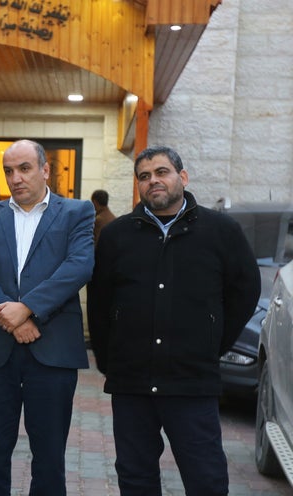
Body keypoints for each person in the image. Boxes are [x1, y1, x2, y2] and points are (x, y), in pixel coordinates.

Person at [87, 145, 261, 496]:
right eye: (144, 176)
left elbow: (246, 291)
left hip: (192, 382)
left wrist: (212, 344)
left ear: (182, 177)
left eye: (162, 172)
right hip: (132, 383)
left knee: (206, 479)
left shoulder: (221, 231)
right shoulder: (117, 235)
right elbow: (100, 301)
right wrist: (110, 361)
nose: (153, 181)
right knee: (135, 479)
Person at [0, 139, 95, 495]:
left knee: (49, 453)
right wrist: (10, 315)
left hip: (52, 350)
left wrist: (29, 308)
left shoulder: (76, 212)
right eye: (9, 171)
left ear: (45, 170)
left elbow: (78, 267)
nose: (16, 178)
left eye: (24, 168)